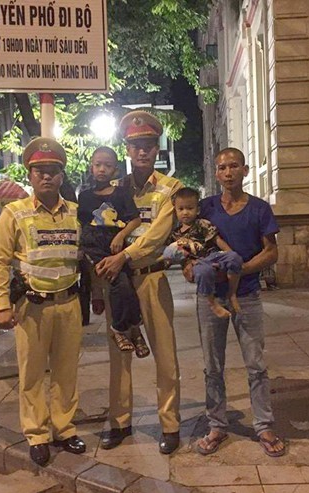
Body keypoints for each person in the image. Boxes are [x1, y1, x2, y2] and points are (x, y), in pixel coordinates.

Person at [0, 137, 86, 467]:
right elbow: (0, 262)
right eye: (39, 171)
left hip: (69, 302)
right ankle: (37, 434)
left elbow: (83, 256)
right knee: (31, 374)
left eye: (53, 171)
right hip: (31, 307)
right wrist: (2, 304)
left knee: (66, 372)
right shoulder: (14, 214)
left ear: (62, 175)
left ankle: (64, 428)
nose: (46, 176)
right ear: (30, 175)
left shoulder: (75, 212)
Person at [186, 147, 286, 458]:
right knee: (212, 366)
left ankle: (264, 426)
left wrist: (239, 269)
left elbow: (272, 252)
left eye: (234, 166)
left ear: (244, 170)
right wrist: (189, 267)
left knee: (256, 365)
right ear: (216, 174)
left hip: (248, 296)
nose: (228, 172)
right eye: (222, 167)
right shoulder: (204, 208)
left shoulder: (258, 209)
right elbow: (188, 243)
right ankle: (217, 425)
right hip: (210, 298)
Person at [95, 110, 183, 455]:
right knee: (119, 354)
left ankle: (170, 424)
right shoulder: (113, 190)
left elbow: (158, 234)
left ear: (157, 149)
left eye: (148, 145)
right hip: (118, 282)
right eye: (136, 146)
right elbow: (101, 232)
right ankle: (120, 422)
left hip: (152, 278)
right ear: (127, 151)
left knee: (165, 354)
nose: (142, 151)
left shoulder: (170, 189)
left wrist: (124, 255)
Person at [78, 147, 150, 357]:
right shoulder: (83, 196)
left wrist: (121, 235)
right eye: (98, 164)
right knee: (120, 284)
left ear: (115, 170)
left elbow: (135, 219)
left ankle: (130, 328)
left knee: (126, 285)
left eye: (107, 165)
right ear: (91, 167)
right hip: (95, 247)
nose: (102, 169)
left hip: (116, 246)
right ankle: (125, 329)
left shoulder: (121, 193)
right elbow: (82, 225)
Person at [163, 187, 243, 318]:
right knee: (204, 272)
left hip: (214, 256)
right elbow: (170, 255)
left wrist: (230, 253)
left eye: (190, 208)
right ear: (175, 210)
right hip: (197, 264)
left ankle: (232, 293)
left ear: (198, 209)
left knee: (235, 258)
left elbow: (218, 240)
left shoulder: (203, 224)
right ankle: (212, 304)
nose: (185, 213)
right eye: (181, 209)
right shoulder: (175, 234)